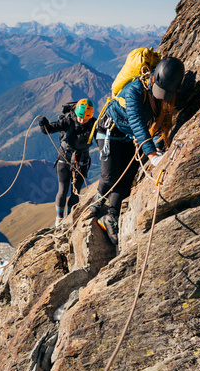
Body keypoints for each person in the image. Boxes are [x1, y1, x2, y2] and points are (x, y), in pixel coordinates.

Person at [91, 56, 185, 246]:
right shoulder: (134, 90)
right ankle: (97, 201)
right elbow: (136, 122)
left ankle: (111, 216)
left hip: (126, 136)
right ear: (153, 78)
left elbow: (156, 123)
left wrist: (158, 144)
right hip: (108, 131)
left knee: (127, 179)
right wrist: (152, 154)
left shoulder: (158, 92)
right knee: (110, 176)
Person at [38, 98, 96, 227]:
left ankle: (70, 218)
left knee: (76, 191)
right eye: (80, 117)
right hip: (65, 158)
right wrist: (44, 125)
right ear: (76, 113)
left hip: (81, 161)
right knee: (63, 191)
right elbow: (49, 129)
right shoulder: (68, 121)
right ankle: (59, 220)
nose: (82, 121)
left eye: (86, 118)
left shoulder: (94, 124)